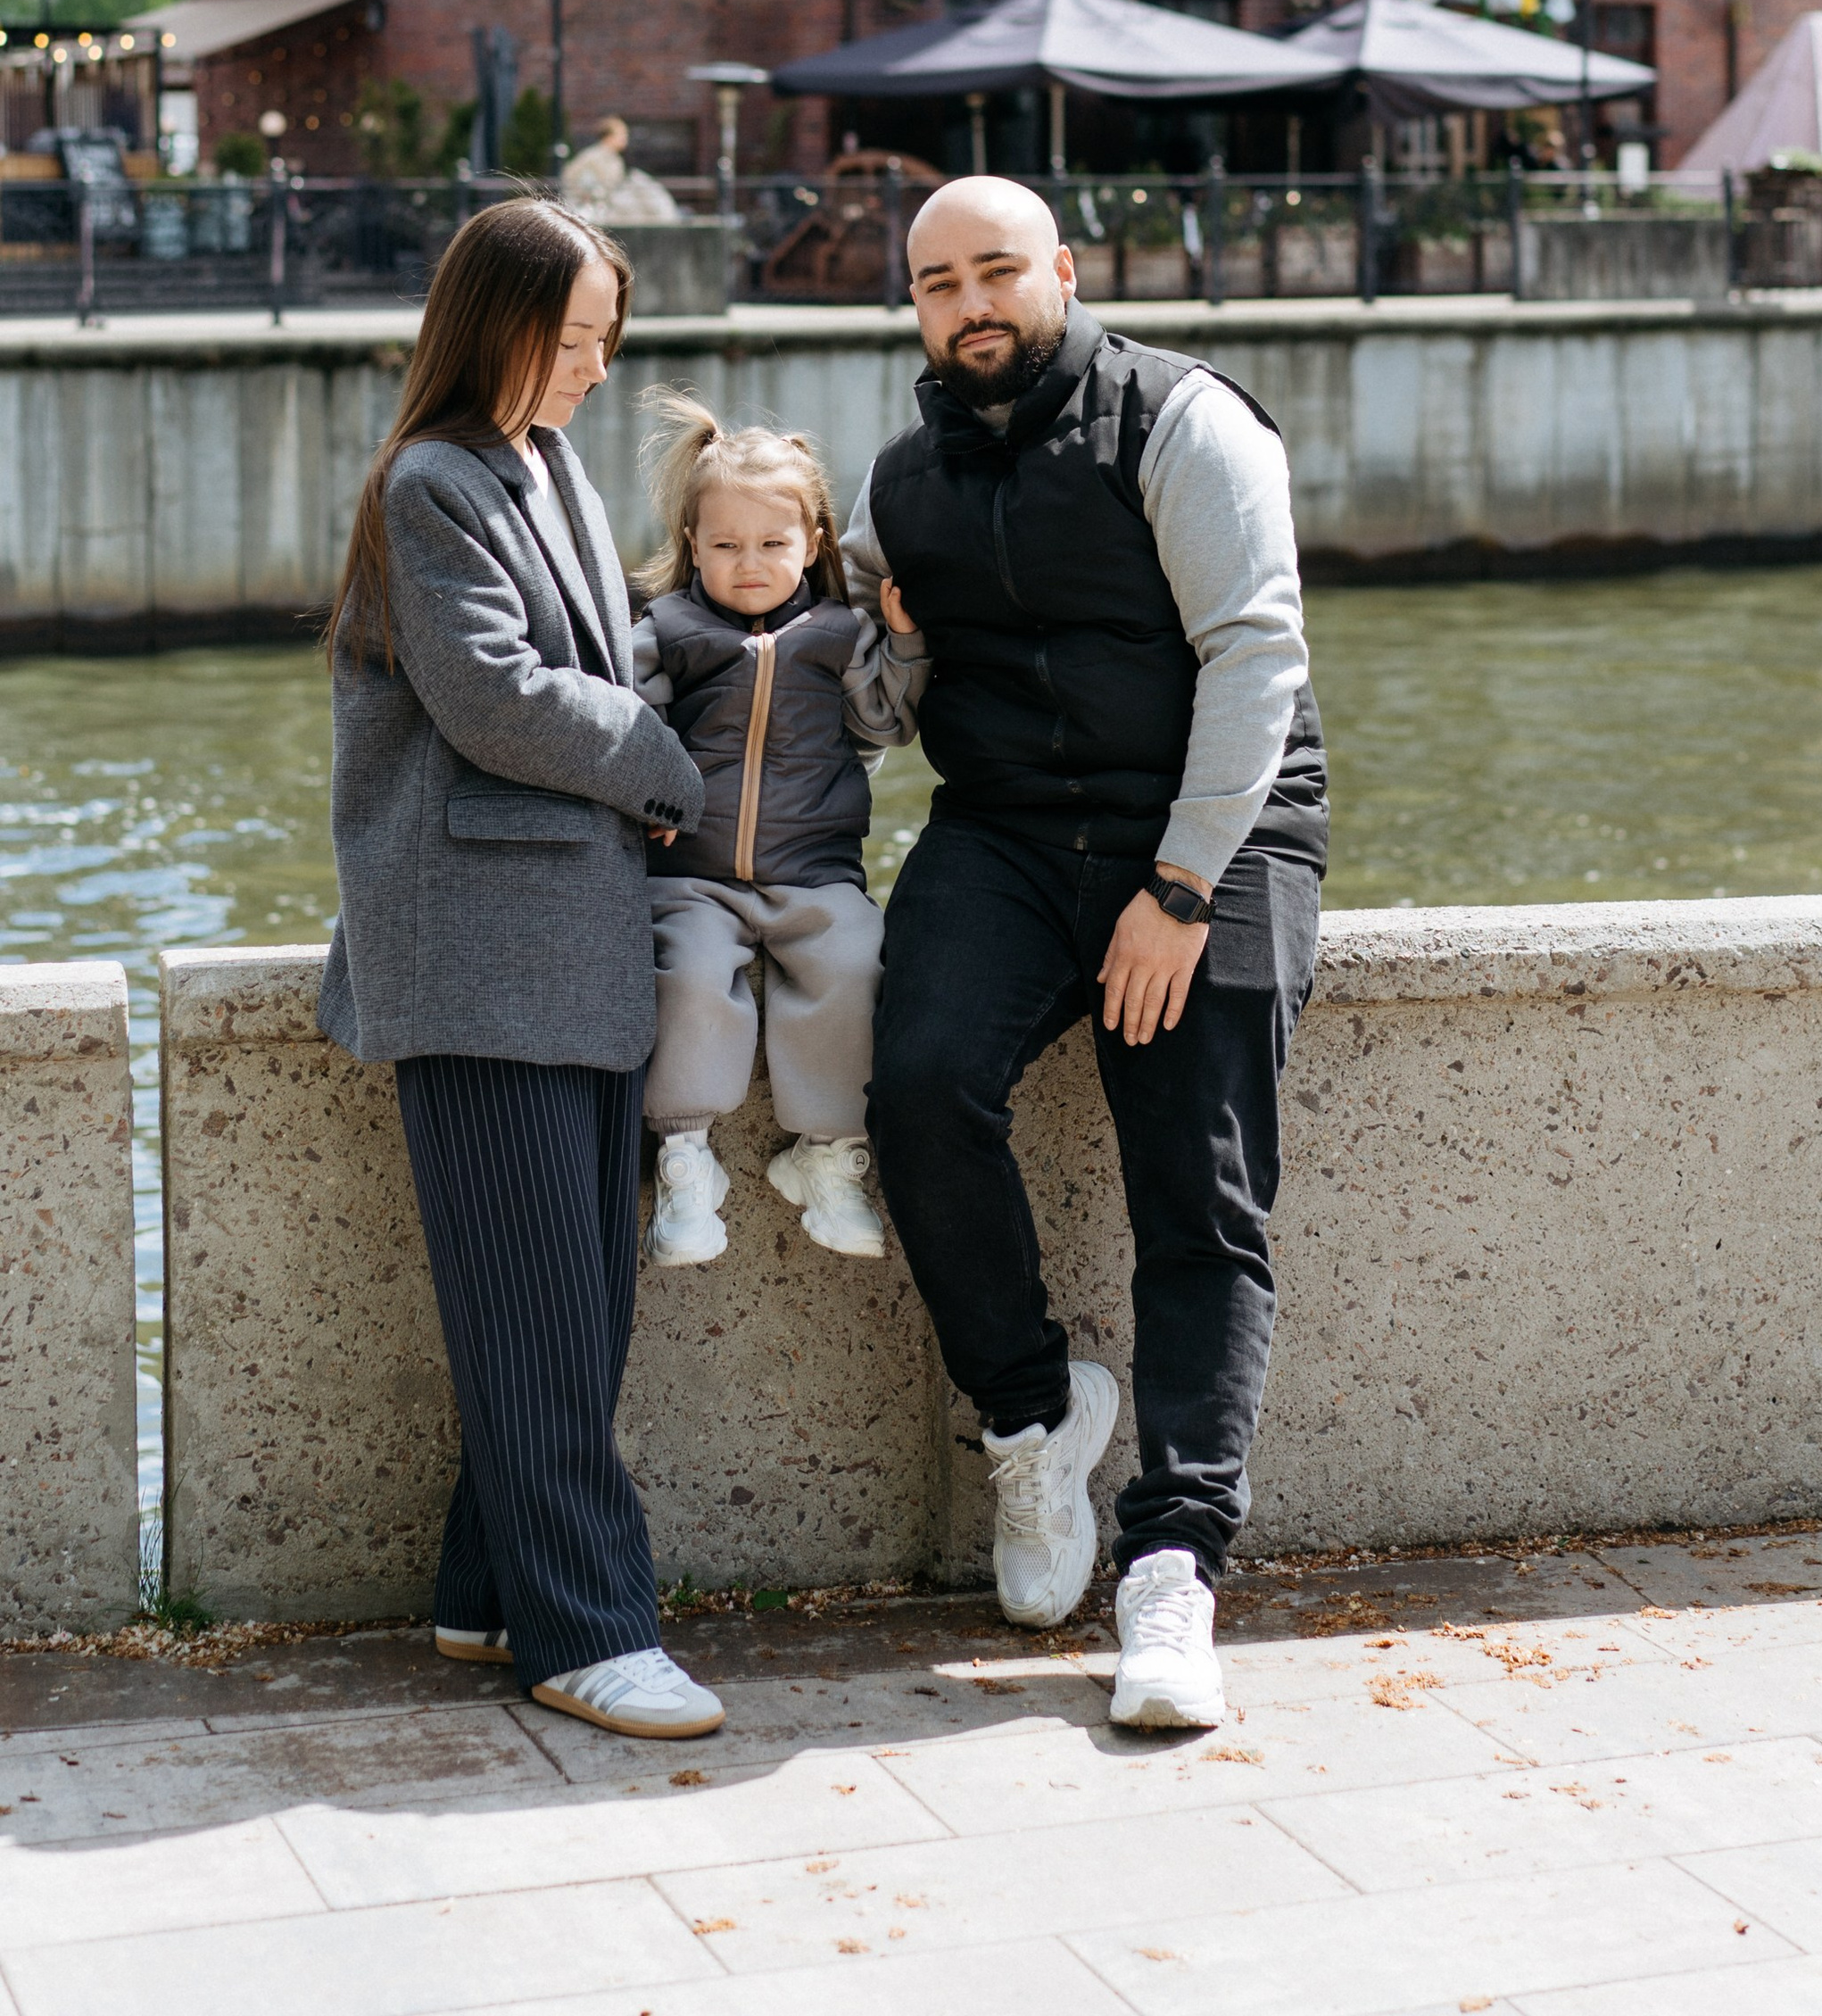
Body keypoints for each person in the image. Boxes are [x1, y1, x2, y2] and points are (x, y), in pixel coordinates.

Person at [849, 175, 1326, 1734]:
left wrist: (1182, 888)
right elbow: (875, 704)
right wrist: (897, 647)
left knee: (1195, 1187)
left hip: (1216, 827)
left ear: (1063, 270)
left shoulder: (1182, 422)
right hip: (1003, 828)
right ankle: (1036, 1418)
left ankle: (1174, 1567)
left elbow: (1258, 654)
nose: (972, 305)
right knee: (915, 1084)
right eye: (939, 285)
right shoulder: (898, 479)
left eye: (999, 272)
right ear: (913, 307)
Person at [318, 195, 724, 1743]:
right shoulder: (432, 483)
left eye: (610, 344)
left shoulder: (531, 465)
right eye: (573, 342)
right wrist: (671, 768)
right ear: (493, 328)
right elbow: (495, 696)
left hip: (557, 940)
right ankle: (587, 1630)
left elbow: (583, 667)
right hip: (482, 954)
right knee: (548, 1306)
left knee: (569, 1299)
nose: (596, 373)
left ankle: (487, 1592)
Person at [626, 395, 929, 1265]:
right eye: (724, 546)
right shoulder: (669, 629)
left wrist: (904, 644)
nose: (748, 564)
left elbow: (887, 722)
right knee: (684, 972)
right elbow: (630, 724)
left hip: (816, 874)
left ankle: (827, 1156)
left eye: (771, 544)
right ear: (692, 547)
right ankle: (686, 1157)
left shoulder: (839, 632)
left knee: (853, 962)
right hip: (694, 873)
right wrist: (648, 799)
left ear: (814, 545)